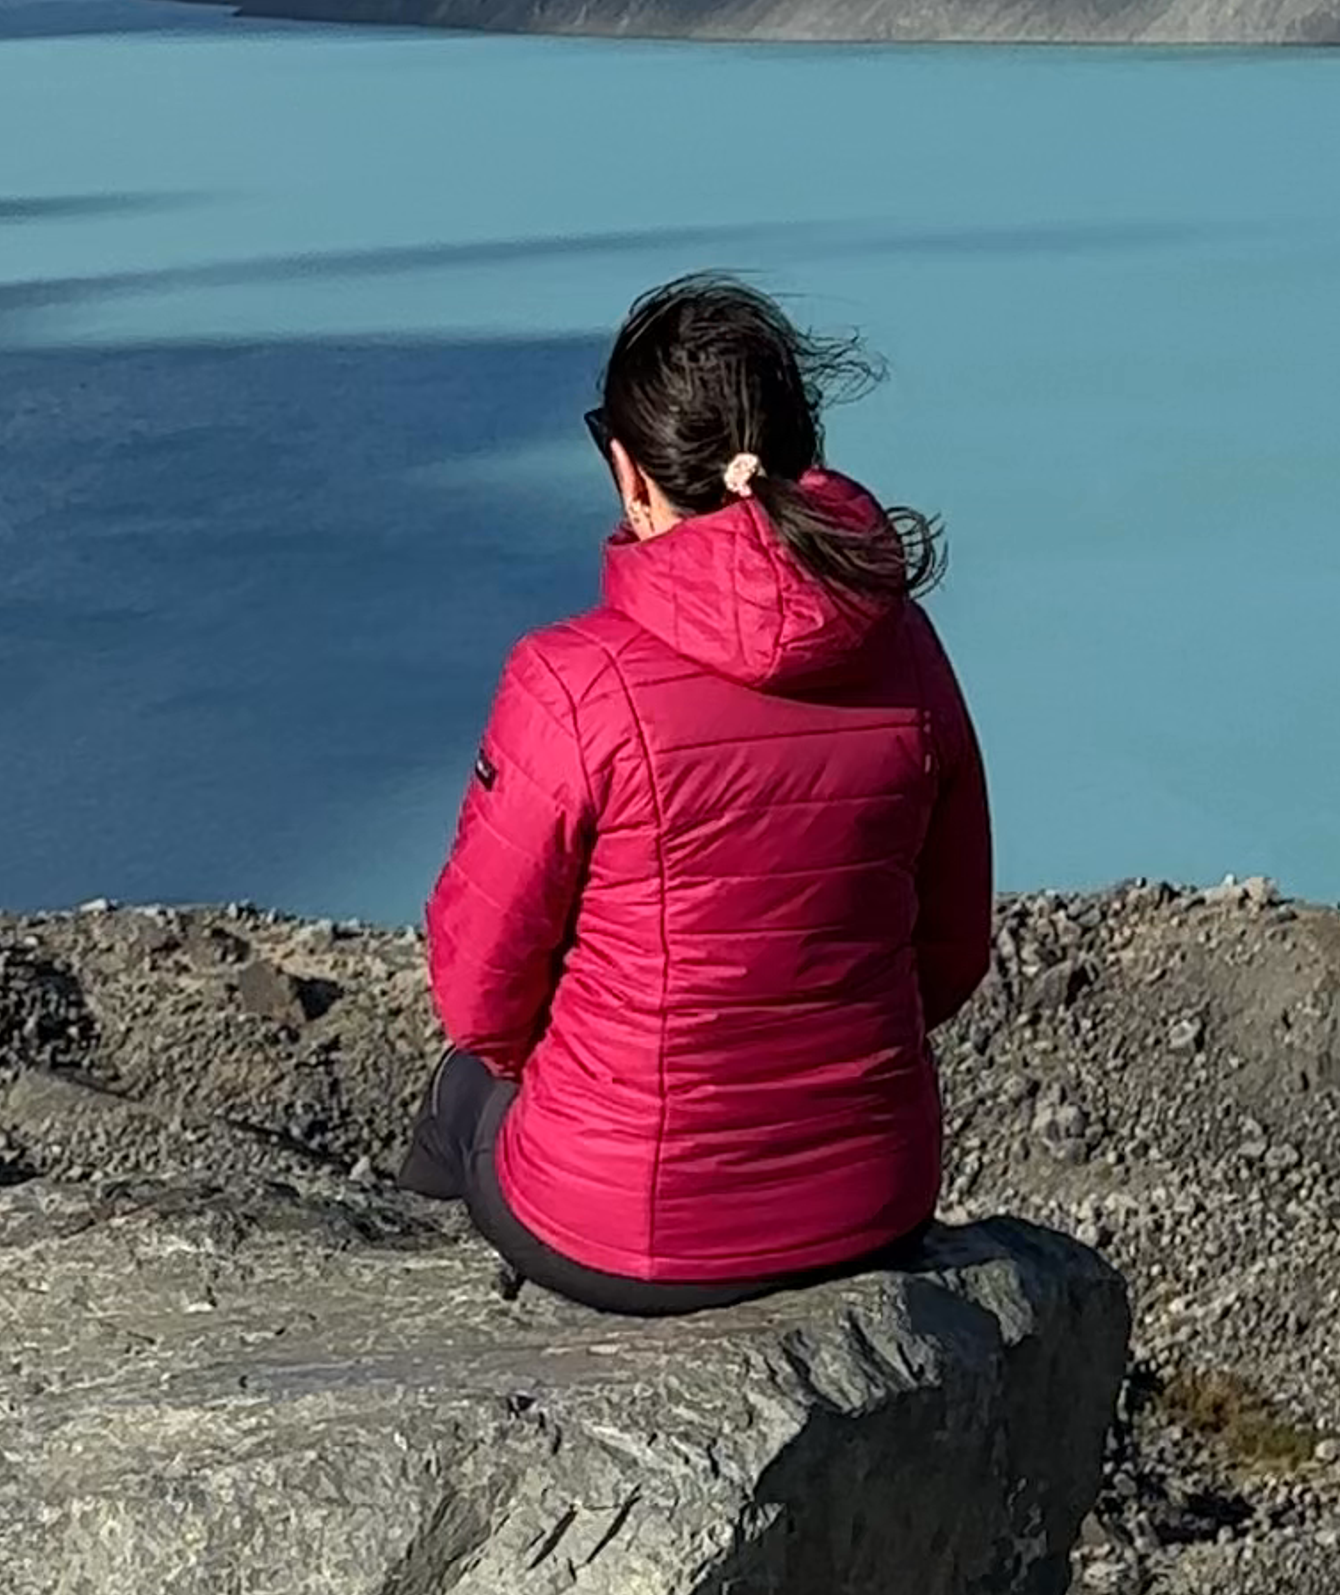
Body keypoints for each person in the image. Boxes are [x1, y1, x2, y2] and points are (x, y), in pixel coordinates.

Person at [406, 269, 992, 1312]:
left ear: (631, 471)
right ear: (800, 452)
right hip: (872, 1201)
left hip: (627, 1233)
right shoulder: (908, 647)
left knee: (462, 1095)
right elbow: (947, 955)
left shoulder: (570, 680)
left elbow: (479, 994)